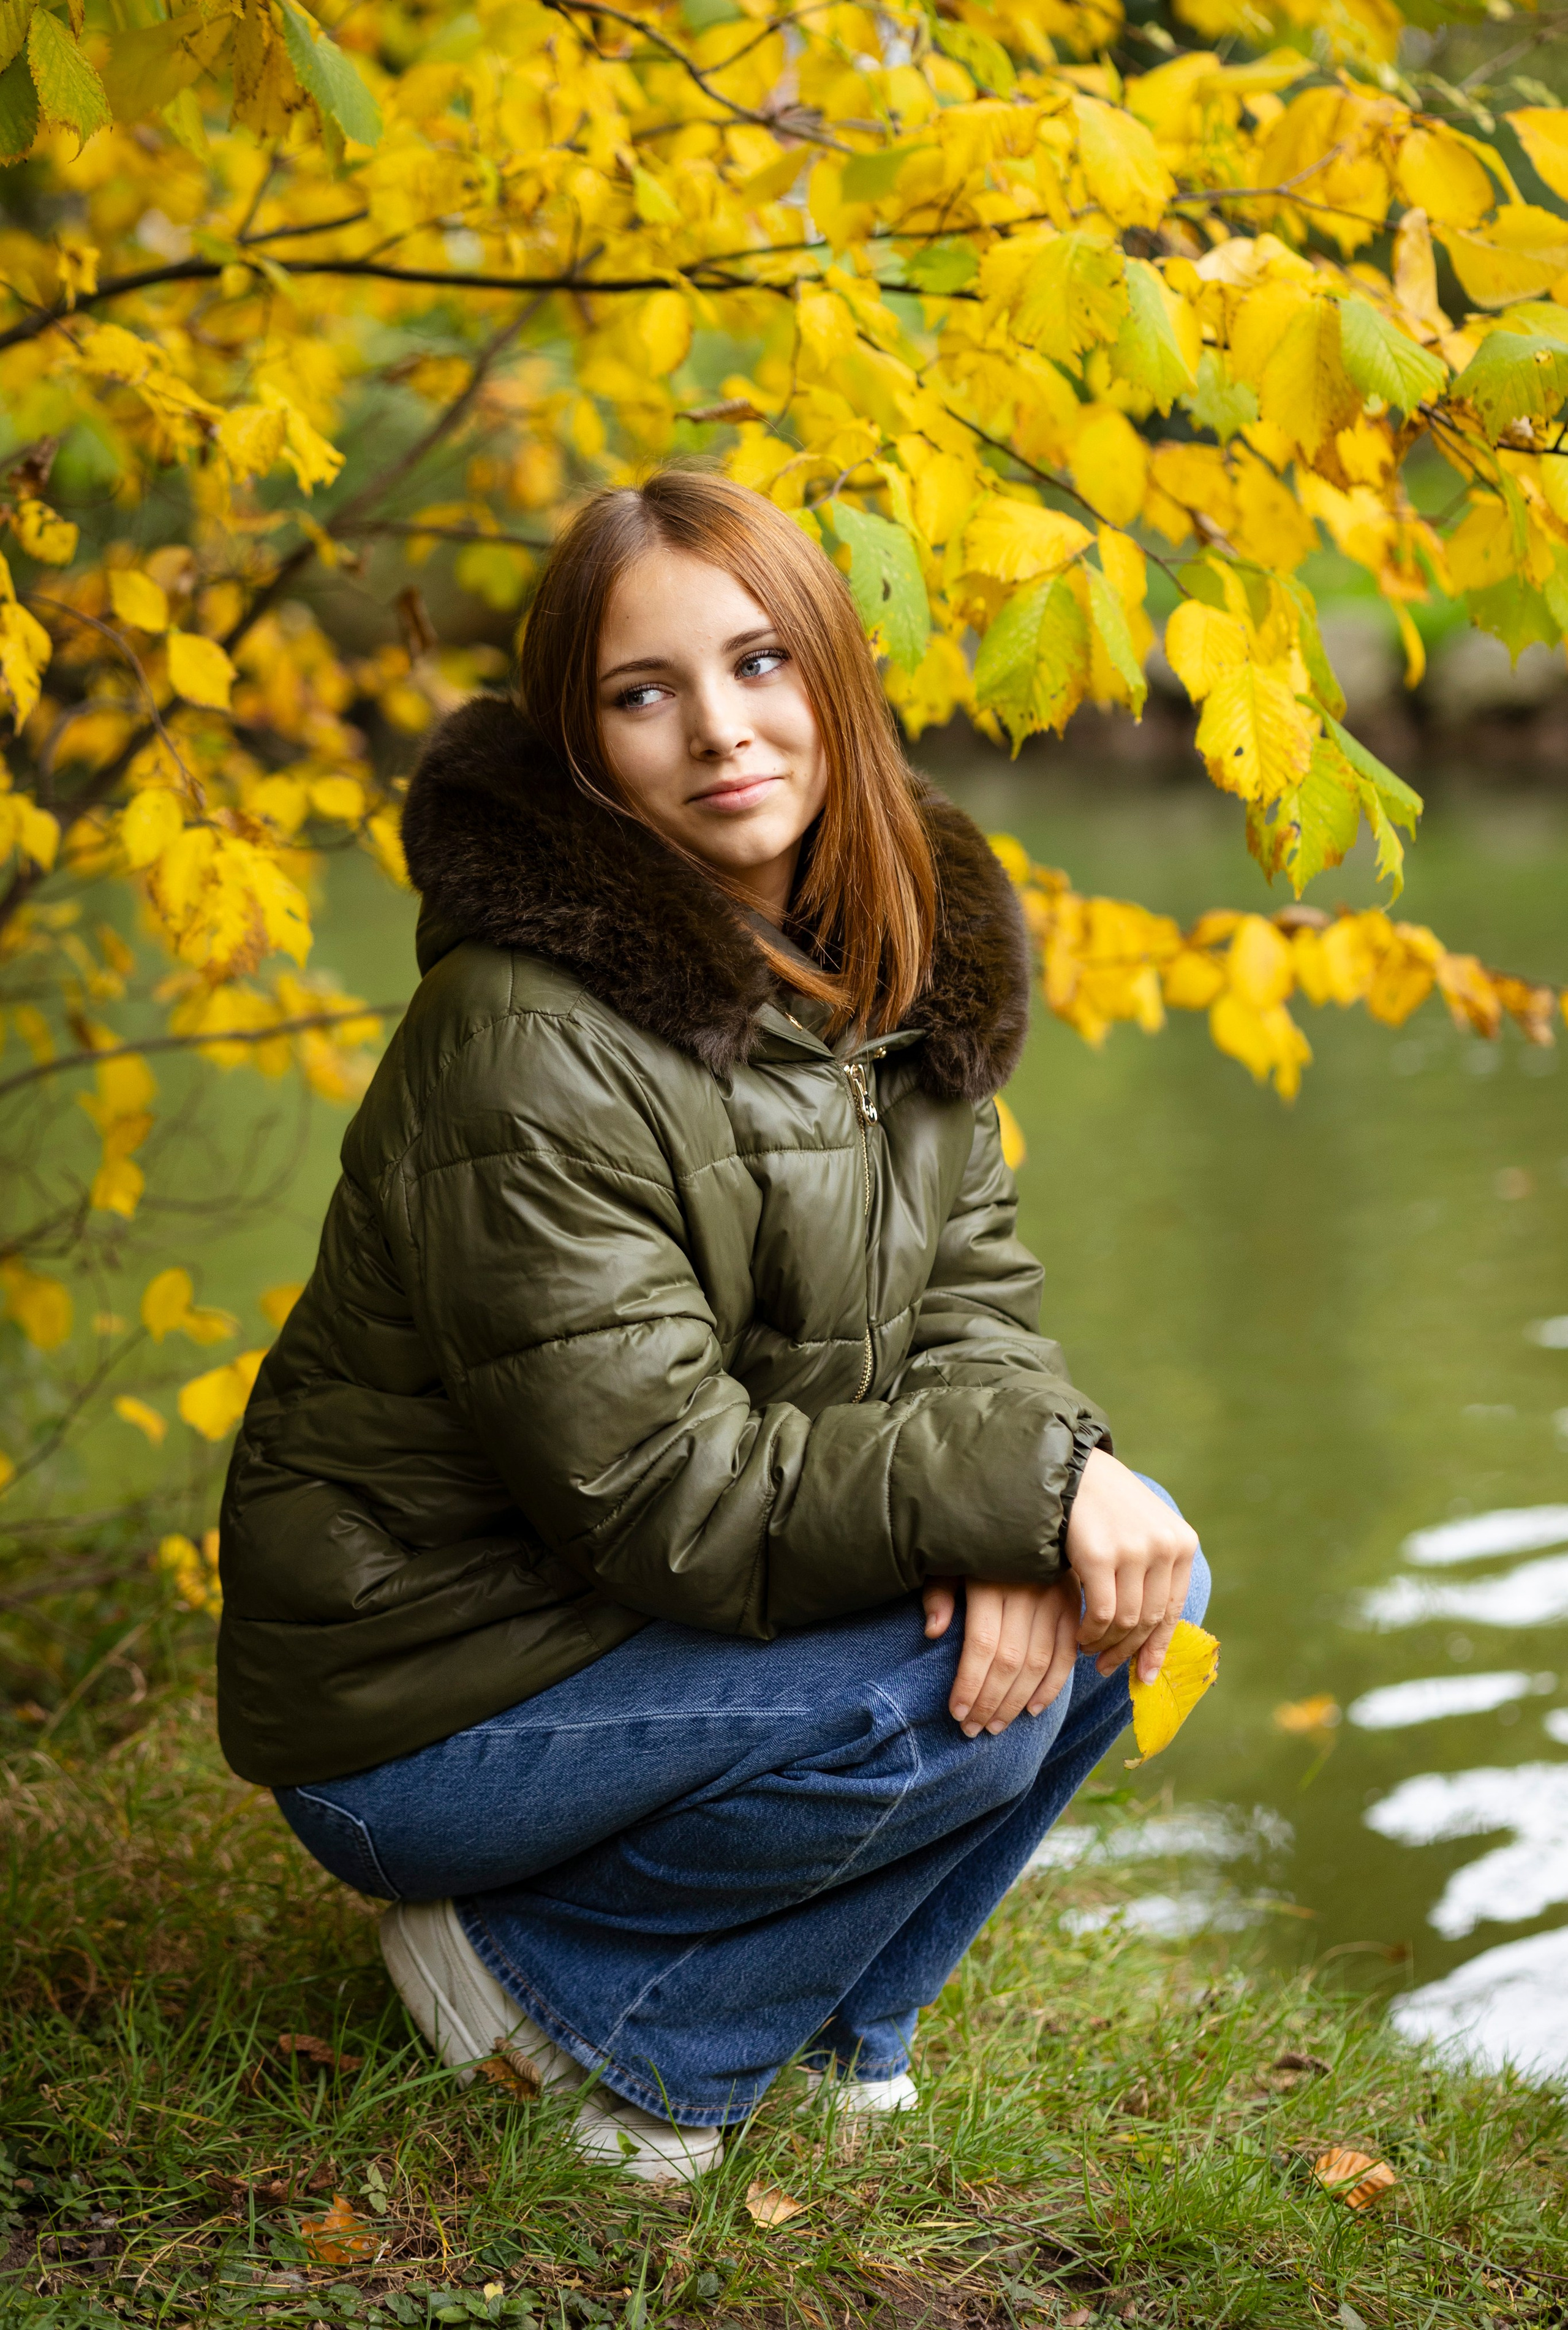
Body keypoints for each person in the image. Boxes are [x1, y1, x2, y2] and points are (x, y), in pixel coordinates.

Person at [217, 470, 1209, 2184]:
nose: (721, 730)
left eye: (760, 664)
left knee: (1145, 1590)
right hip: (425, 1700)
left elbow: (975, 1307)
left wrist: (1041, 1496)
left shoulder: (890, 965)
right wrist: (1026, 1494)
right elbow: (667, 1489)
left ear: (833, 672)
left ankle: (837, 2037)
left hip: (621, 1621)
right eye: (642, 691)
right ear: (584, 741)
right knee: (947, 1671)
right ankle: (573, 2002)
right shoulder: (525, 1035)